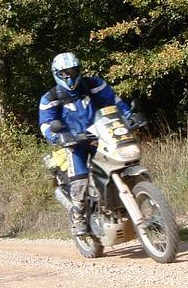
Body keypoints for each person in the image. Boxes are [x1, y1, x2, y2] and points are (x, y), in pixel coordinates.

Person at [38, 52, 133, 237]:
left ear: (79, 70)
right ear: (57, 73)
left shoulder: (94, 84)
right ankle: (79, 218)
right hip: (74, 143)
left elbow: (114, 101)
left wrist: (130, 116)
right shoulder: (49, 98)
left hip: (102, 135)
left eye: (73, 71)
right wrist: (57, 136)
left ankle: (134, 201)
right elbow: (45, 124)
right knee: (80, 181)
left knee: (124, 163)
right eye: (64, 73)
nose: (69, 76)